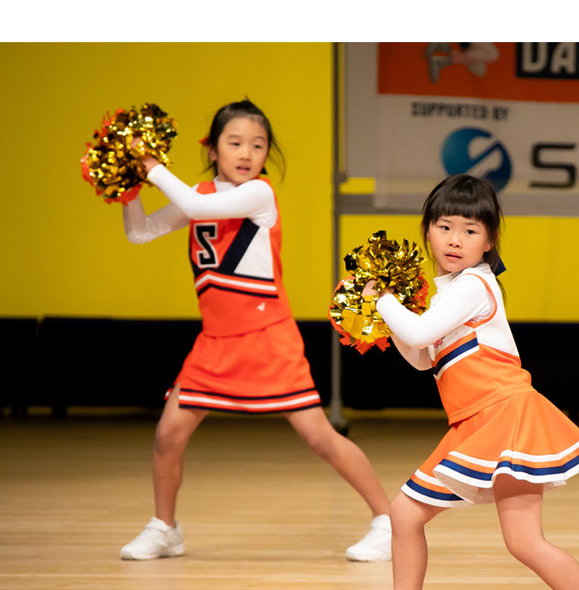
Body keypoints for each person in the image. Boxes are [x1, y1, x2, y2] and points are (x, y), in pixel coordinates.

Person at [342, 174, 579, 590]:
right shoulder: (446, 292)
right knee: (406, 513)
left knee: (522, 540)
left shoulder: (475, 284)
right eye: (444, 226)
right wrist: (383, 318)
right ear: (427, 231)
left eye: (471, 230)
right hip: (474, 424)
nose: (456, 239)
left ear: (490, 241)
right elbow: (420, 355)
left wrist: (382, 298)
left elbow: (418, 333)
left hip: (506, 415)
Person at [116, 99, 391, 563]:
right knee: (168, 434)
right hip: (215, 343)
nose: (247, 153)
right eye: (235, 142)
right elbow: (139, 232)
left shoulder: (259, 194)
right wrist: (126, 187)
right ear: (213, 148)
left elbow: (195, 205)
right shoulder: (200, 190)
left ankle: (387, 521)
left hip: (268, 338)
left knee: (319, 437)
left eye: (258, 145)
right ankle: (165, 527)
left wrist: (150, 165)